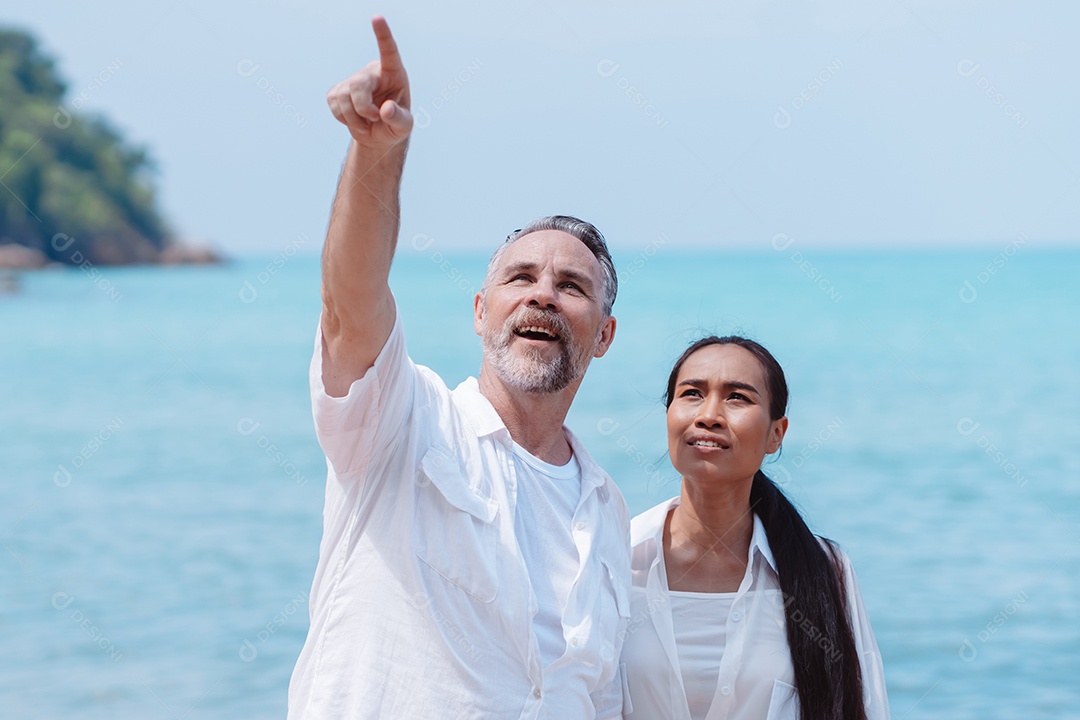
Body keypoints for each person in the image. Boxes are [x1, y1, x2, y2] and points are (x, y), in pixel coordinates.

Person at [286, 16, 632, 720]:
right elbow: (350, 304)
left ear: (604, 336)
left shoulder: (607, 512)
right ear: (481, 311)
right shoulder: (402, 421)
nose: (543, 293)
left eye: (572, 287)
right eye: (522, 278)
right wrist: (377, 155)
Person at [620, 336, 889, 719]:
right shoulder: (613, 557)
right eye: (692, 393)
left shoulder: (824, 569)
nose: (709, 415)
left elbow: (865, 709)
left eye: (738, 398)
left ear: (776, 434)